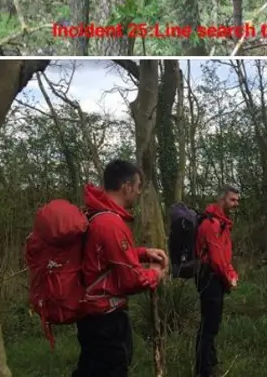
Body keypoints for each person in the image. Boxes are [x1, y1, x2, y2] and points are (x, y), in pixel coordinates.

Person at [73, 159, 168, 377]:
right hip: (106, 318)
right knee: (111, 369)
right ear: (126, 187)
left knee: (90, 369)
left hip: (90, 315)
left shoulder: (94, 214)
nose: (137, 193)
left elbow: (102, 259)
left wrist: (143, 252)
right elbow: (131, 280)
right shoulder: (110, 223)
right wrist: (155, 273)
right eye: (137, 187)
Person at [195, 186, 240, 377]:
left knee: (211, 325)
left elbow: (224, 256)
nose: (236, 204)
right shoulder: (212, 224)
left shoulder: (222, 223)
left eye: (237, 200)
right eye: (233, 200)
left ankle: (210, 364)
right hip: (210, 278)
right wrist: (229, 278)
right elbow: (216, 259)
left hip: (215, 277)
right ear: (222, 200)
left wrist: (231, 273)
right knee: (209, 327)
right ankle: (203, 371)